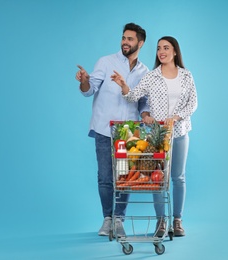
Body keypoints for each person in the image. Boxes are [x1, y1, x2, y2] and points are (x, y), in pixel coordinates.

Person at [111, 36, 198, 237]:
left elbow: (193, 103)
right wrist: (123, 85)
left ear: (175, 51)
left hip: (179, 132)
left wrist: (177, 117)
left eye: (166, 48)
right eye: (159, 48)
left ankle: (177, 221)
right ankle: (161, 222)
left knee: (178, 177)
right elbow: (133, 96)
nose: (161, 51)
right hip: (157, 137)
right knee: (158, 179)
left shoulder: (187, 76)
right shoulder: (152, 76)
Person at [75, 23, 150, 237]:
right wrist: (85, 81)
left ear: (140, 43)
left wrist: (145, 115)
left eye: (130, 39)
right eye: (123, 38)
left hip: (129, 131)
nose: (125, 42)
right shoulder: (105, 62)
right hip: (104, 128)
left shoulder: (145, 72)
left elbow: (144, 102)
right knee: (105, 177)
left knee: (125, 177)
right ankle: (107, 219)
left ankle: (119, 219)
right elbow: (89, 90)